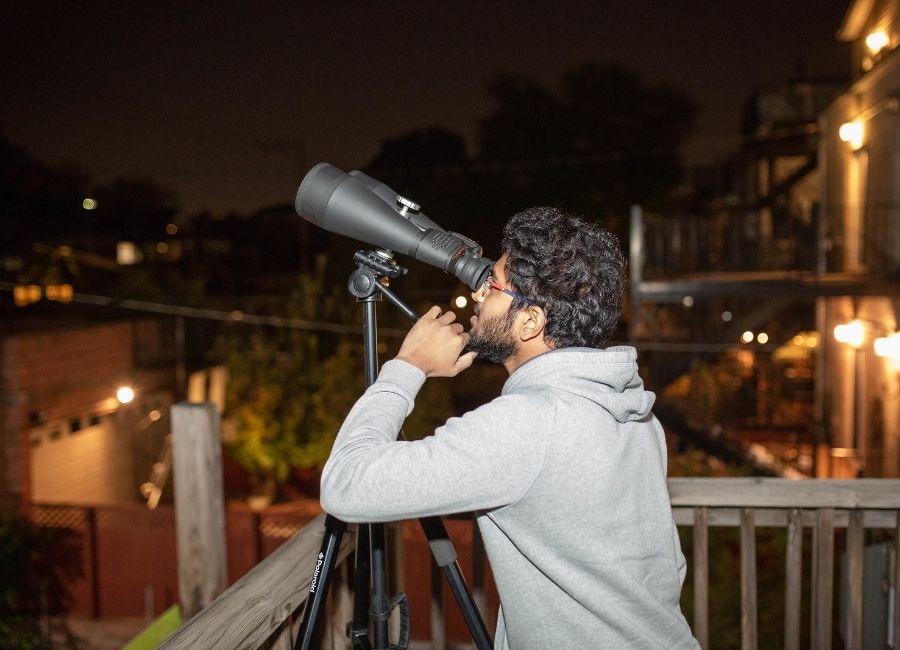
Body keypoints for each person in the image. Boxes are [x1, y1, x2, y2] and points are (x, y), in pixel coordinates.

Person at [320, 206, 698, 648]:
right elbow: (667, 565)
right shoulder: (634, 412)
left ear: (531, 320)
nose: (478, 295)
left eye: (492, 285)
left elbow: (346, 485)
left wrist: (407, 367)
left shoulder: (528, 423)